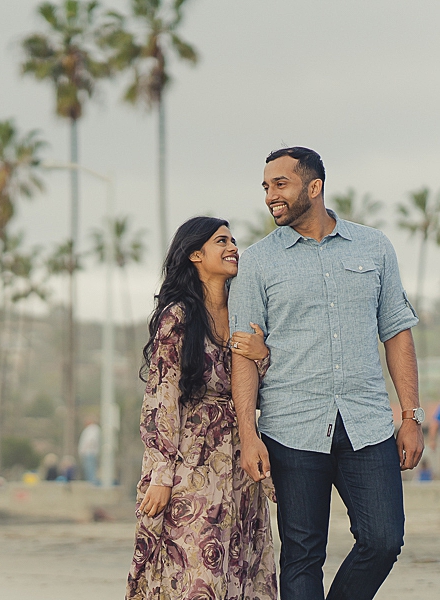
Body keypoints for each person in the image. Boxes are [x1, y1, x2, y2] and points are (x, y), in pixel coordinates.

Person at [230, 147, 423, 600]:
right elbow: (242, 354)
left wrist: (411, 416)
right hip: (290, 426)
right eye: (265, 187)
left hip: (367, 424)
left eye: (281, 184)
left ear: (314, 187)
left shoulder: (374, 247)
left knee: (383, 539)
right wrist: (247, 433)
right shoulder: (257, 262)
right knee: (301, 554)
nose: (270, 196)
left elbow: (396, 332)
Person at [126, 216, 277, 600]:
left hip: (242, 459)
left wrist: (263, 357)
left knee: (240, 565)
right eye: (221, 241)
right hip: (191, 464)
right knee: (195, 571)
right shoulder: (178, 316)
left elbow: (267, 389)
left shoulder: (247, 311)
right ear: (195, 254)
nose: (232, 247)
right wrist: (161, 475)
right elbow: (161, 396)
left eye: (232, 240)